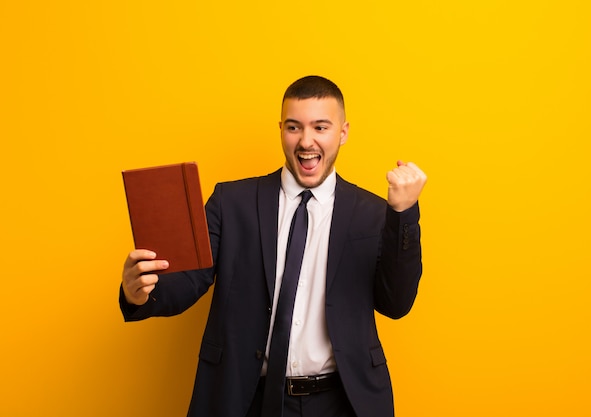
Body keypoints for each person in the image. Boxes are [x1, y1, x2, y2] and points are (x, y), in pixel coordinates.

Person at [120, 75, 427, 417]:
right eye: (294, 127)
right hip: (246, 399)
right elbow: (189, 280)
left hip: (342, 402)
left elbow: (396, 303)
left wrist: (403, 215)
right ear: (281, 129)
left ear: (343, 132)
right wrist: (140, 293)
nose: (306, 141)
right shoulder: (231, 202)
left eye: (320, 127)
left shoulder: (372, 213)